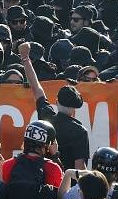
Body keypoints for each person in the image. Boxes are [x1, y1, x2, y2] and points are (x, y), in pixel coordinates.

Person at [19, 42, 89, 170]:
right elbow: (79, 166)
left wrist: (25, 58)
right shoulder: (80, 132)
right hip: (66, 183)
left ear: (56, 102)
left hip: (42, 177)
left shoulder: (46, 117)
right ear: (75, 108)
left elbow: (36, 87)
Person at [0, 120, 63, 199]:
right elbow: (60, 196)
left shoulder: (8, 164)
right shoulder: (53, 168)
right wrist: (55, 156)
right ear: (47, 145)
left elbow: (2, 194)